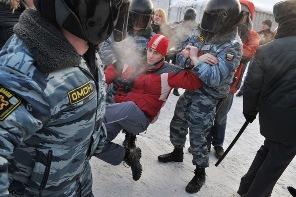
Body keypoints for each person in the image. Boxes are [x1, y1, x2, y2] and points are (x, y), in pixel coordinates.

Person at [0, 0, 128, 196]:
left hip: (79, 184)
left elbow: (85, 124)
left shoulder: (87, 51)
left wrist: (120, 153)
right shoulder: (24, 70)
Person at [158, 0, 243, 194]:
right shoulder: (205, 32)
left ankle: (199, 172)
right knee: (178, 119)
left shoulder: (233, 46)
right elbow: (180, 56)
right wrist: (194, 57)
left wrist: (196, 58)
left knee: (199, 132)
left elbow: (213, 78)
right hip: (191, 86)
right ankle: (177, 151)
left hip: (209, 96)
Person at [98, 34, 203, 181]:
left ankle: (91, 114)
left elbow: (195, 82)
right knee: (94, 141)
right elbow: (106, 76)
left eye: (156, 53)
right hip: (118, 113)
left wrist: (195, 59)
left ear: (164, 54)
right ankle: (127, 155)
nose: (151, 56)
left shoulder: (170, 72)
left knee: (128, 107)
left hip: (139, 118)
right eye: (149, 50)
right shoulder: (133, 62)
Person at [237, 1, 296, 196]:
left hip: (271, 117)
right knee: (273, 166)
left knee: (268, 149)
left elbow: (252, 87)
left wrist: (250, 112)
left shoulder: (265, 50)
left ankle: (245, 187)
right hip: (292, 124)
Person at [206, 0, 260, 159]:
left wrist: (231, 45)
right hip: (214, 80)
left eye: (244, 14)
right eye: (238, 13)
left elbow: (247, 55)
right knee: (208, 114)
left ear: (249, 17)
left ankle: (218, 144)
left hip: (231, 85)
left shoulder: (252, 36)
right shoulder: (223, 31)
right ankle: (205, 142)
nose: (240, 18)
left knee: (220, 117)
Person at [169, 8, 199, 96]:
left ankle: (176, 87)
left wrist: (198, 41)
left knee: (183, 69)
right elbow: (173, 35)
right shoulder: (179, 25)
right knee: (174, 68)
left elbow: (201, 38)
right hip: (178, 50)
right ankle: (173, 85)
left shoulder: (196, 28)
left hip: (189, 52)